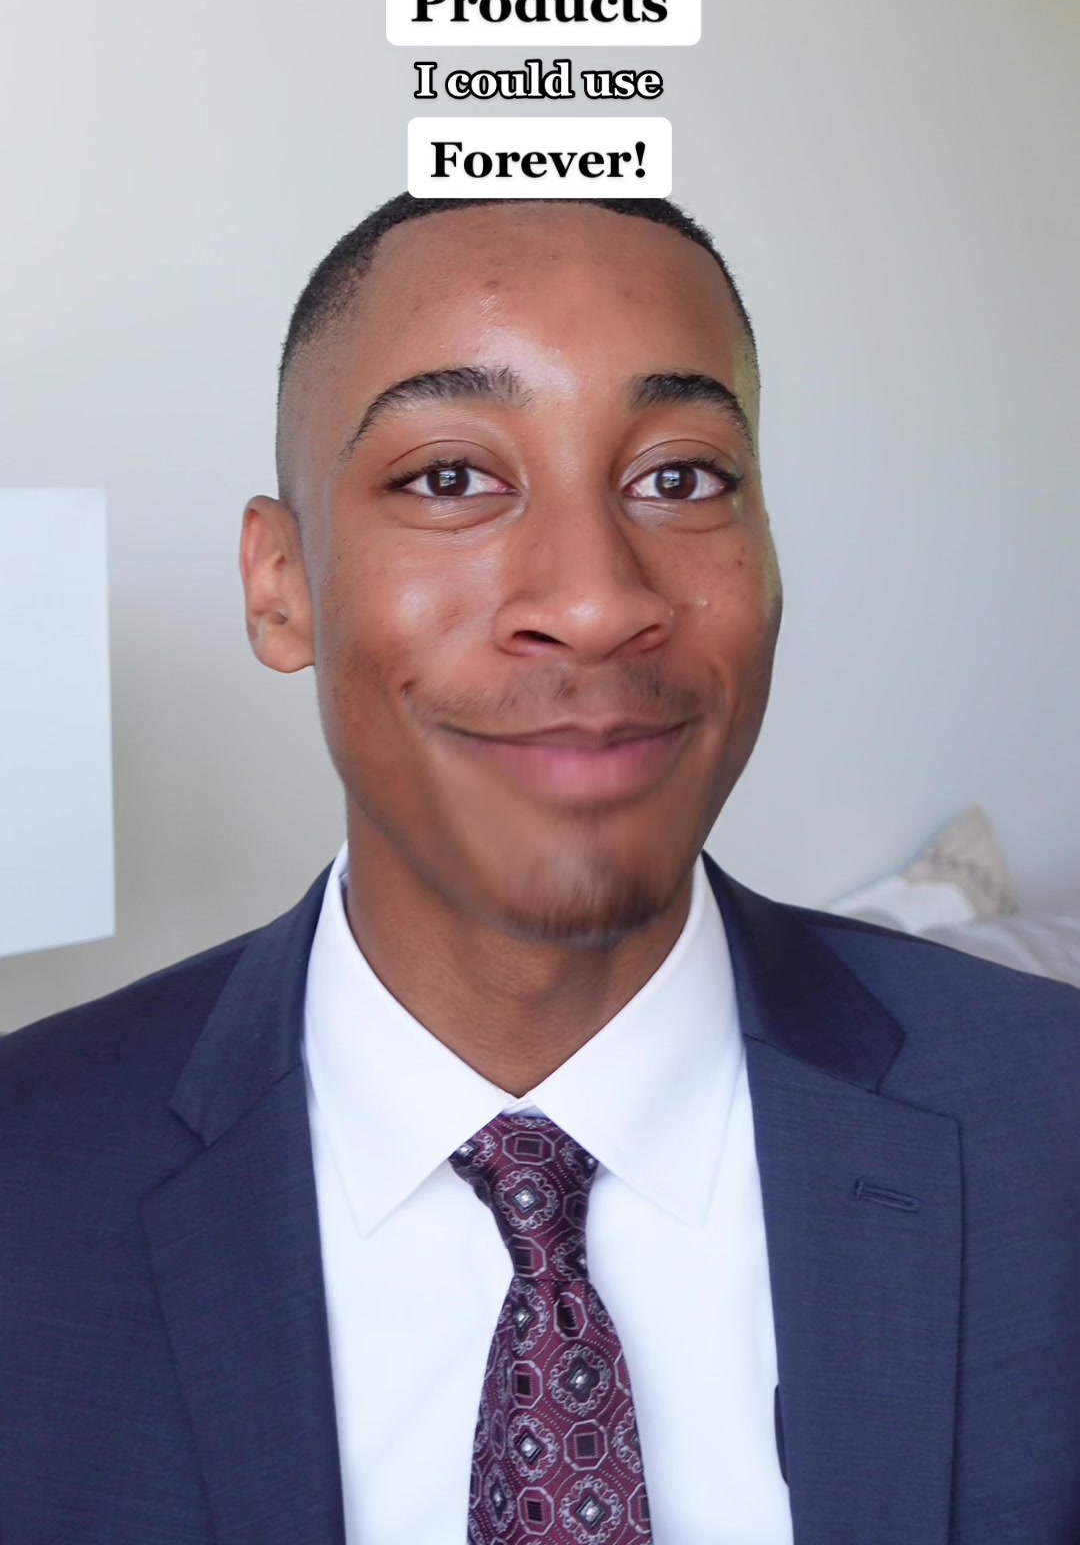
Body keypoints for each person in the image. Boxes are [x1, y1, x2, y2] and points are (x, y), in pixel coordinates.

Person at [1, 193, 1077, 1545]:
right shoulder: (27, 1182)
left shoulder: (1052, 1127)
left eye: (681, 479)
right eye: (452, 478)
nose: (595, 600)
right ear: (281, 585)